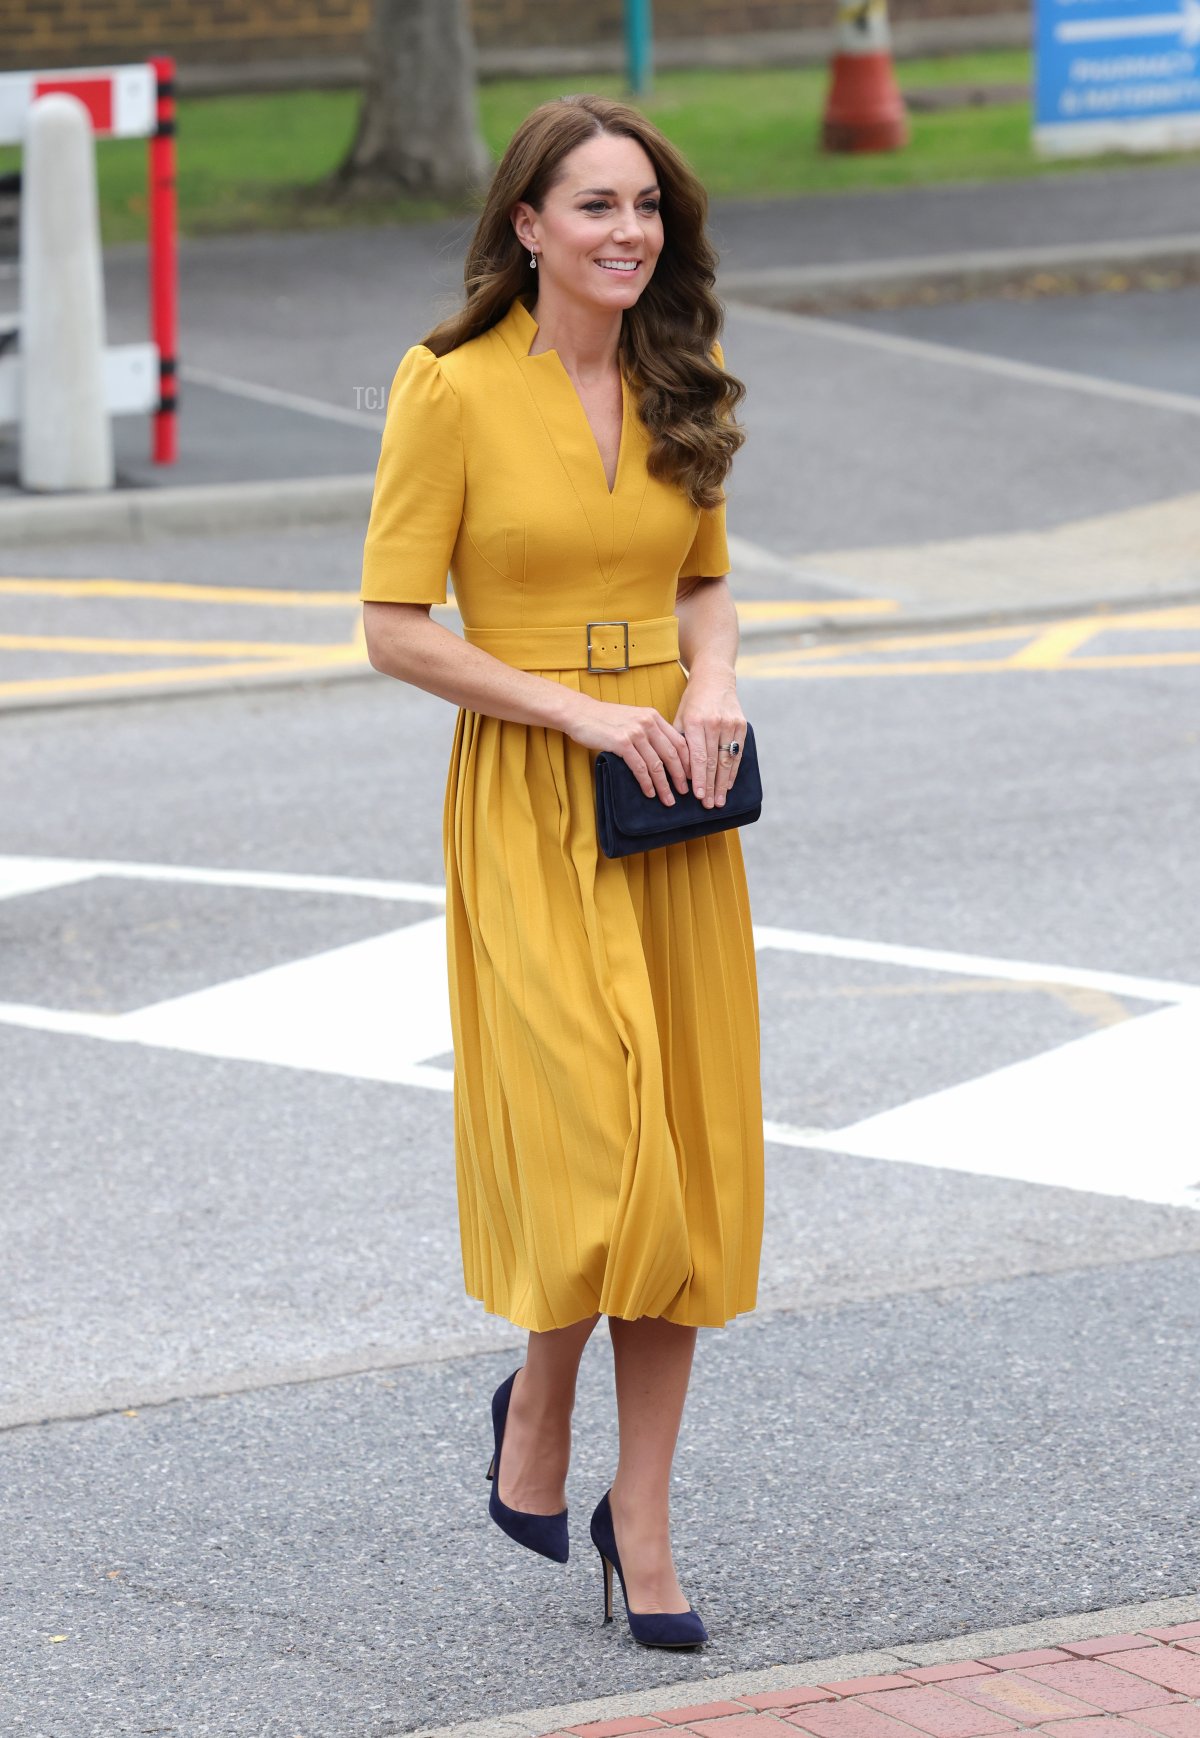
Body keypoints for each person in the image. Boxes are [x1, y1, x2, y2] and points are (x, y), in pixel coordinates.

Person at [359, 93, 764, 1648]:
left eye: (646, 205)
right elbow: (395, 628)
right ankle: (536, 1403)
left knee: (682, 1169)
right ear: (526, 225)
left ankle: (638, 1516)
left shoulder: (682, 372)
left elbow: (705, 580)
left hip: (670, 794)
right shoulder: (450, 387)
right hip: (535, 789)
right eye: (597, 205)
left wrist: (710, 681)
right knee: (600, 1152)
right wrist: (582, 709)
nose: (629, 231)